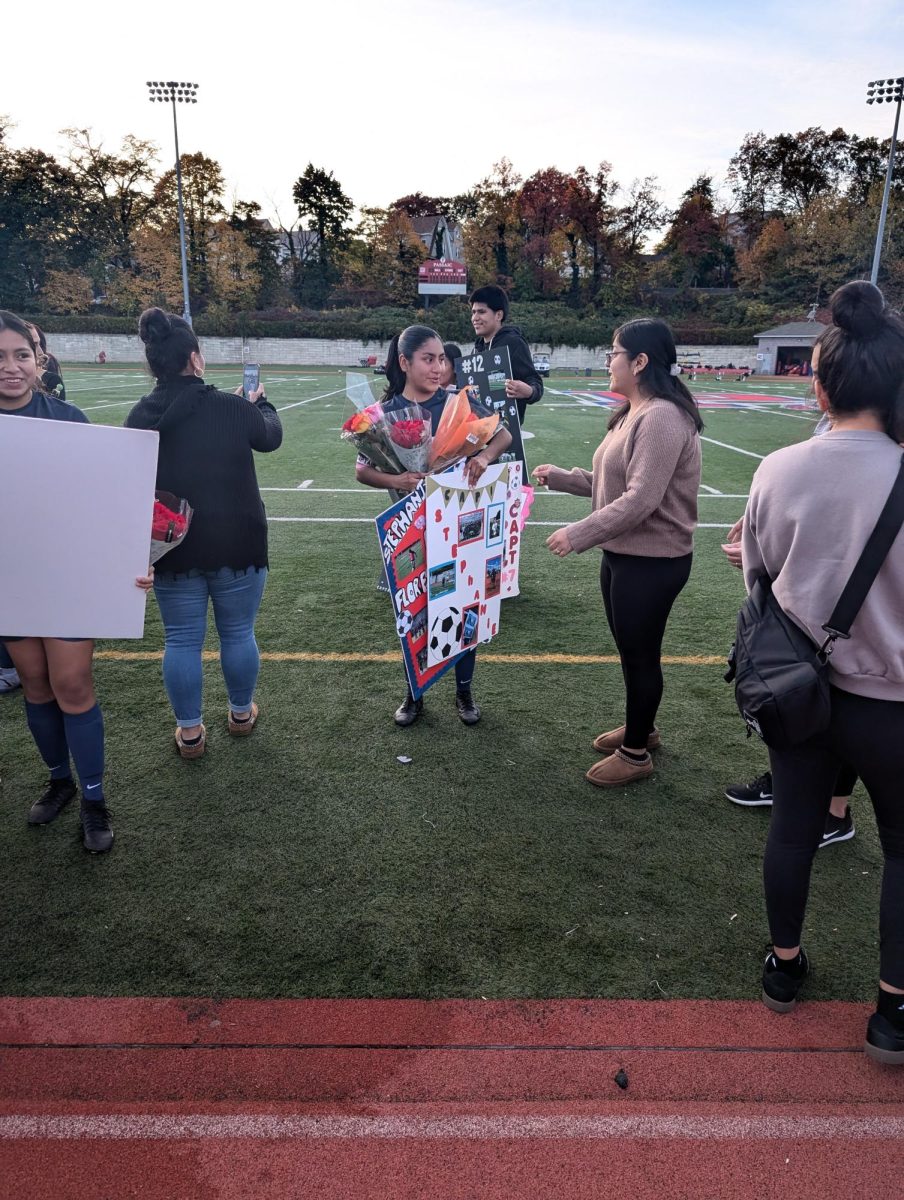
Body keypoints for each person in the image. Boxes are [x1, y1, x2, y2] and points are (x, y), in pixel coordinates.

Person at [741, 280, 904, 1064]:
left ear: (819, 379)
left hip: (801, 689)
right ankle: (892, 1016)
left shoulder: (780, 467)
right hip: (894, 704)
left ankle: (782, 968)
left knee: (793, 831)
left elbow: (761, 582)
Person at [0, 311, 153, 852]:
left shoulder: (67, 418)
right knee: (36, 686)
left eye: (21, 355)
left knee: (71, 686)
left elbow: (109, 504)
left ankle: (93, 798)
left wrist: (134, 558)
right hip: (10, 581)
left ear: (38, 360)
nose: (11, 367)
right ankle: (59, 781)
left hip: (67, 576)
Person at [533, 318, 702, 787]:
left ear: (640, 361)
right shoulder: (634, 411)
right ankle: (641, 730)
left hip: (653, 561)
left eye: (614, 352)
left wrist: (579, 533)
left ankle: (635, 754)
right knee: (633, 652)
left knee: (641, 654)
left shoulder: (662, 416)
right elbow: (616, 486)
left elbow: (642, 499)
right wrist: (566, 479)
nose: (609, 361)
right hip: (625, 555)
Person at [125, 308, 282, 759]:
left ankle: (190, 733)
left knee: (181, 639)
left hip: (171, 544)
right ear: (195, 359)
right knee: (237, 632)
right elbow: (270, 435)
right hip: (239, 541)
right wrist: (259, 403)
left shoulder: (140, 415)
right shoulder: (232, 407)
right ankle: (239, 714)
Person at [355, 325, 511, 727]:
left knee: (464, 610)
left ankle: (464, 690)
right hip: (409, 533)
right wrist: (397, 481)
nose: (438, 367)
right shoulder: (383, 413)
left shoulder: (459, 403)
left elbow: (503, 434)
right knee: (414, 614)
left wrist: (484, 457)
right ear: (404, 363)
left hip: (461, 530)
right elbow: (361, 469)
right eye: (429, 359)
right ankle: (414, 694)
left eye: (442, 359)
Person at [469, 285, 543, 426]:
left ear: (498, 315)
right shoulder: (477, 348)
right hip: (480, 429)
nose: (475, 318)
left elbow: (535, 383)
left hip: (507, 434)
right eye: (473, 312)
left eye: (481, 312)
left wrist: (528, 391)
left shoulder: (513, 343)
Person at [27, 323, 66, 401]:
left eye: (39, 344)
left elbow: (59, 410)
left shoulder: (52, 379)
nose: (41, 352)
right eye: (34, 344)